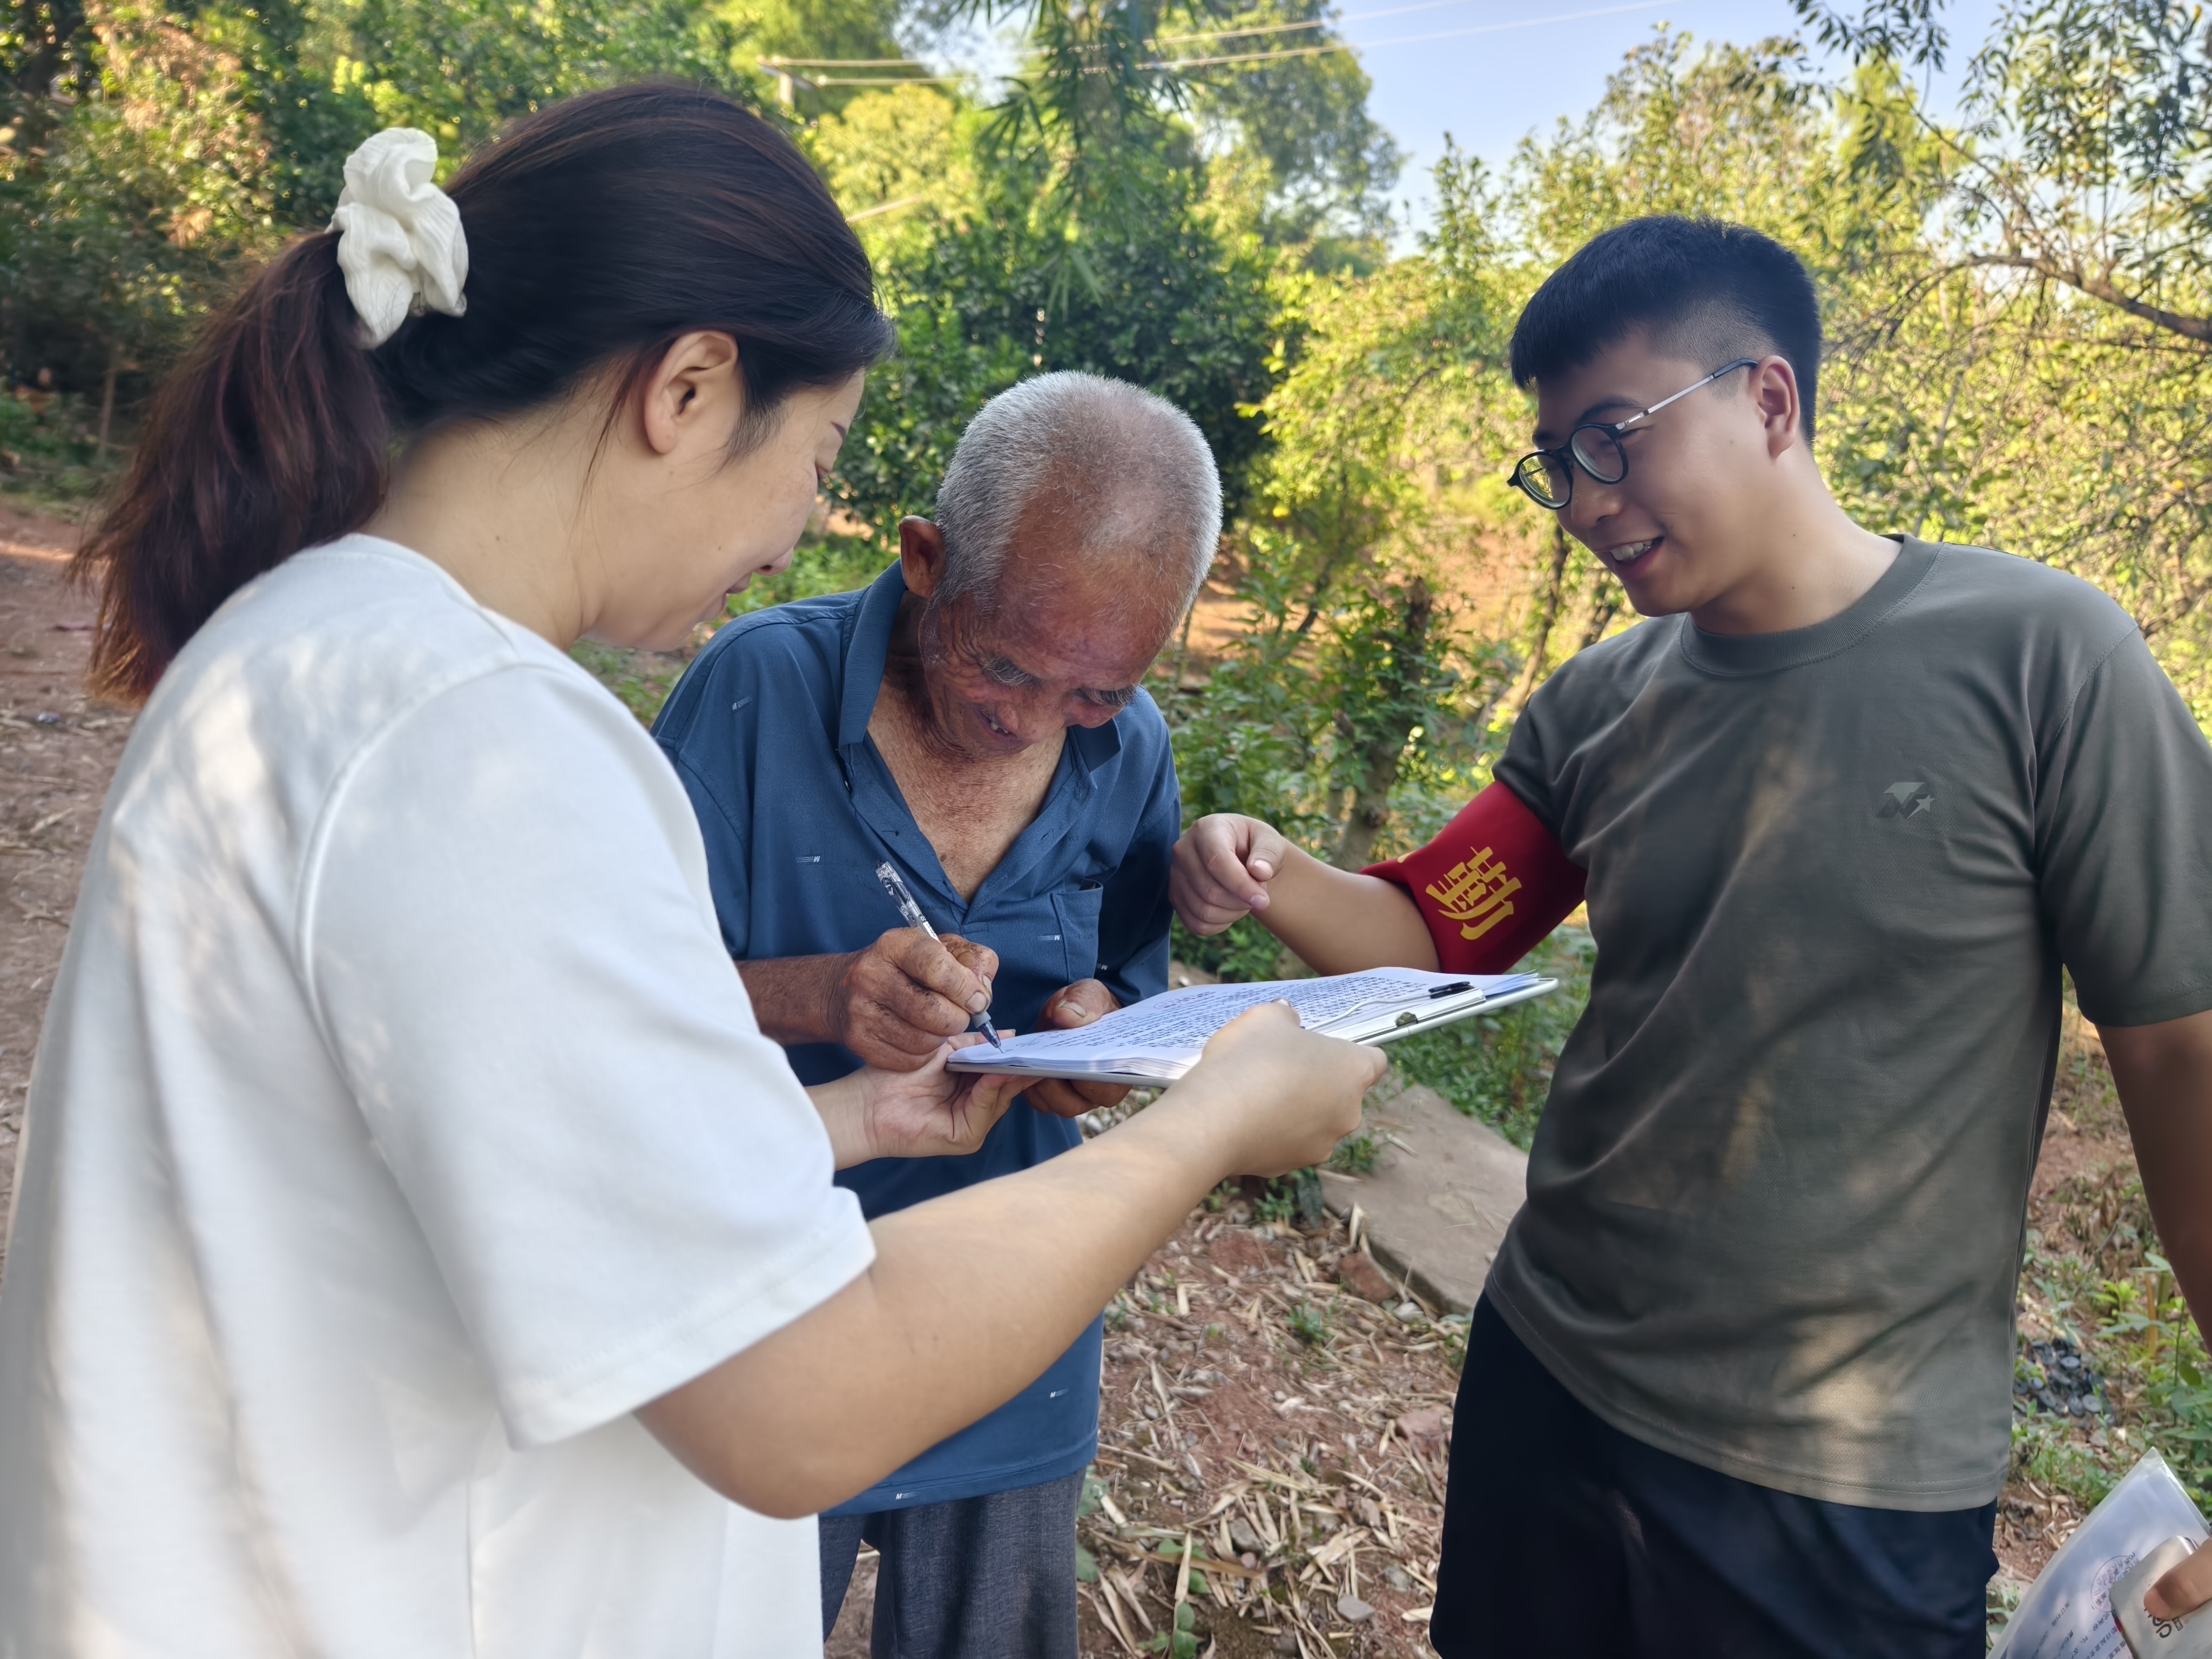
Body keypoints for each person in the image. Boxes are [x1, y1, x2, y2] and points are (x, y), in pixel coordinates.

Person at [0, 86, 1385, 1659]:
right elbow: (798, 1403)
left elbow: (488, 1160)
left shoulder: (312, 652)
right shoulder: (480, 747)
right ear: (689, 388)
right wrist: (1212, 1121)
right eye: (820, 454)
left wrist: (853, 1118)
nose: (806, 526)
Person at [1168, 214, 2212, 1657]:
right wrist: (1267, 866)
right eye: (1556, 461)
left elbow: (2179, 1062)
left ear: (1769, 401)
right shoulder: (1602, 705)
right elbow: (1435, 928)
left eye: (1616, 437)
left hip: (1841, 1482)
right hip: (1549, 1381)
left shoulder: (2043, 660)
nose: (1583, 500)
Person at [651, 369, 1207, 1656]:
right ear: (922, 559)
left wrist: (1096, 1047)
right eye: (1002, 663)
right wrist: (816, 994)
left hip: (1011, 1315)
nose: (1028, 725)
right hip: (761, 1308)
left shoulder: (1128, 756)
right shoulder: (757, 693)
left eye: (1092, 696)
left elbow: (1132, 985)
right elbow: (607, 1012)